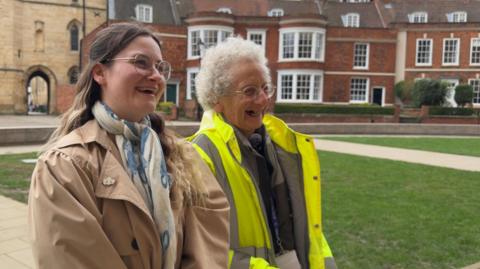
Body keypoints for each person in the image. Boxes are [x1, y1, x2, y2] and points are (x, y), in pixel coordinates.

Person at [28, 22, 229, 269]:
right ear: (100, 73)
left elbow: (208, 245)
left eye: (159, 66)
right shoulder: (64, 166)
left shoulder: (181, 155)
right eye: (141, 62)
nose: (155, 76)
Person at [189, 36, 336, 269]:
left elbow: (309, 230)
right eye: (249, 91)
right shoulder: (199, 154)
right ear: (216, 98)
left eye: (265, 88)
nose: (263, 99)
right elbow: (201, 248)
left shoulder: (281, 144)